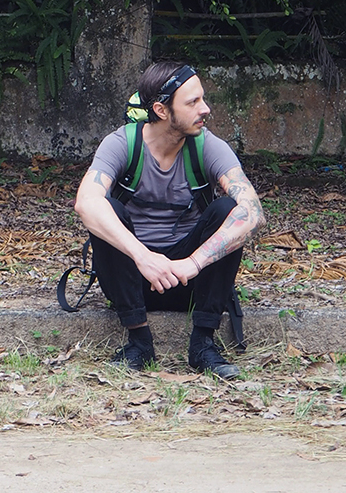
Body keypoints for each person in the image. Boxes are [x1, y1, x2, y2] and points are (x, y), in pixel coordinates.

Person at [73, 60, 265, 378]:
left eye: (203, 98)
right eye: (192, 102)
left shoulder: (207, 145)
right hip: (133, 279)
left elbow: (253, 211)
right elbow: (86, 202)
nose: (205, 109)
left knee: (227, 209)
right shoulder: (122, 144)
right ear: (161, 110)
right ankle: (139, 342)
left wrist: (194, 262)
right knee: (107, 209)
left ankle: (203, 344)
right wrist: (143, 257)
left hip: (190, 279)